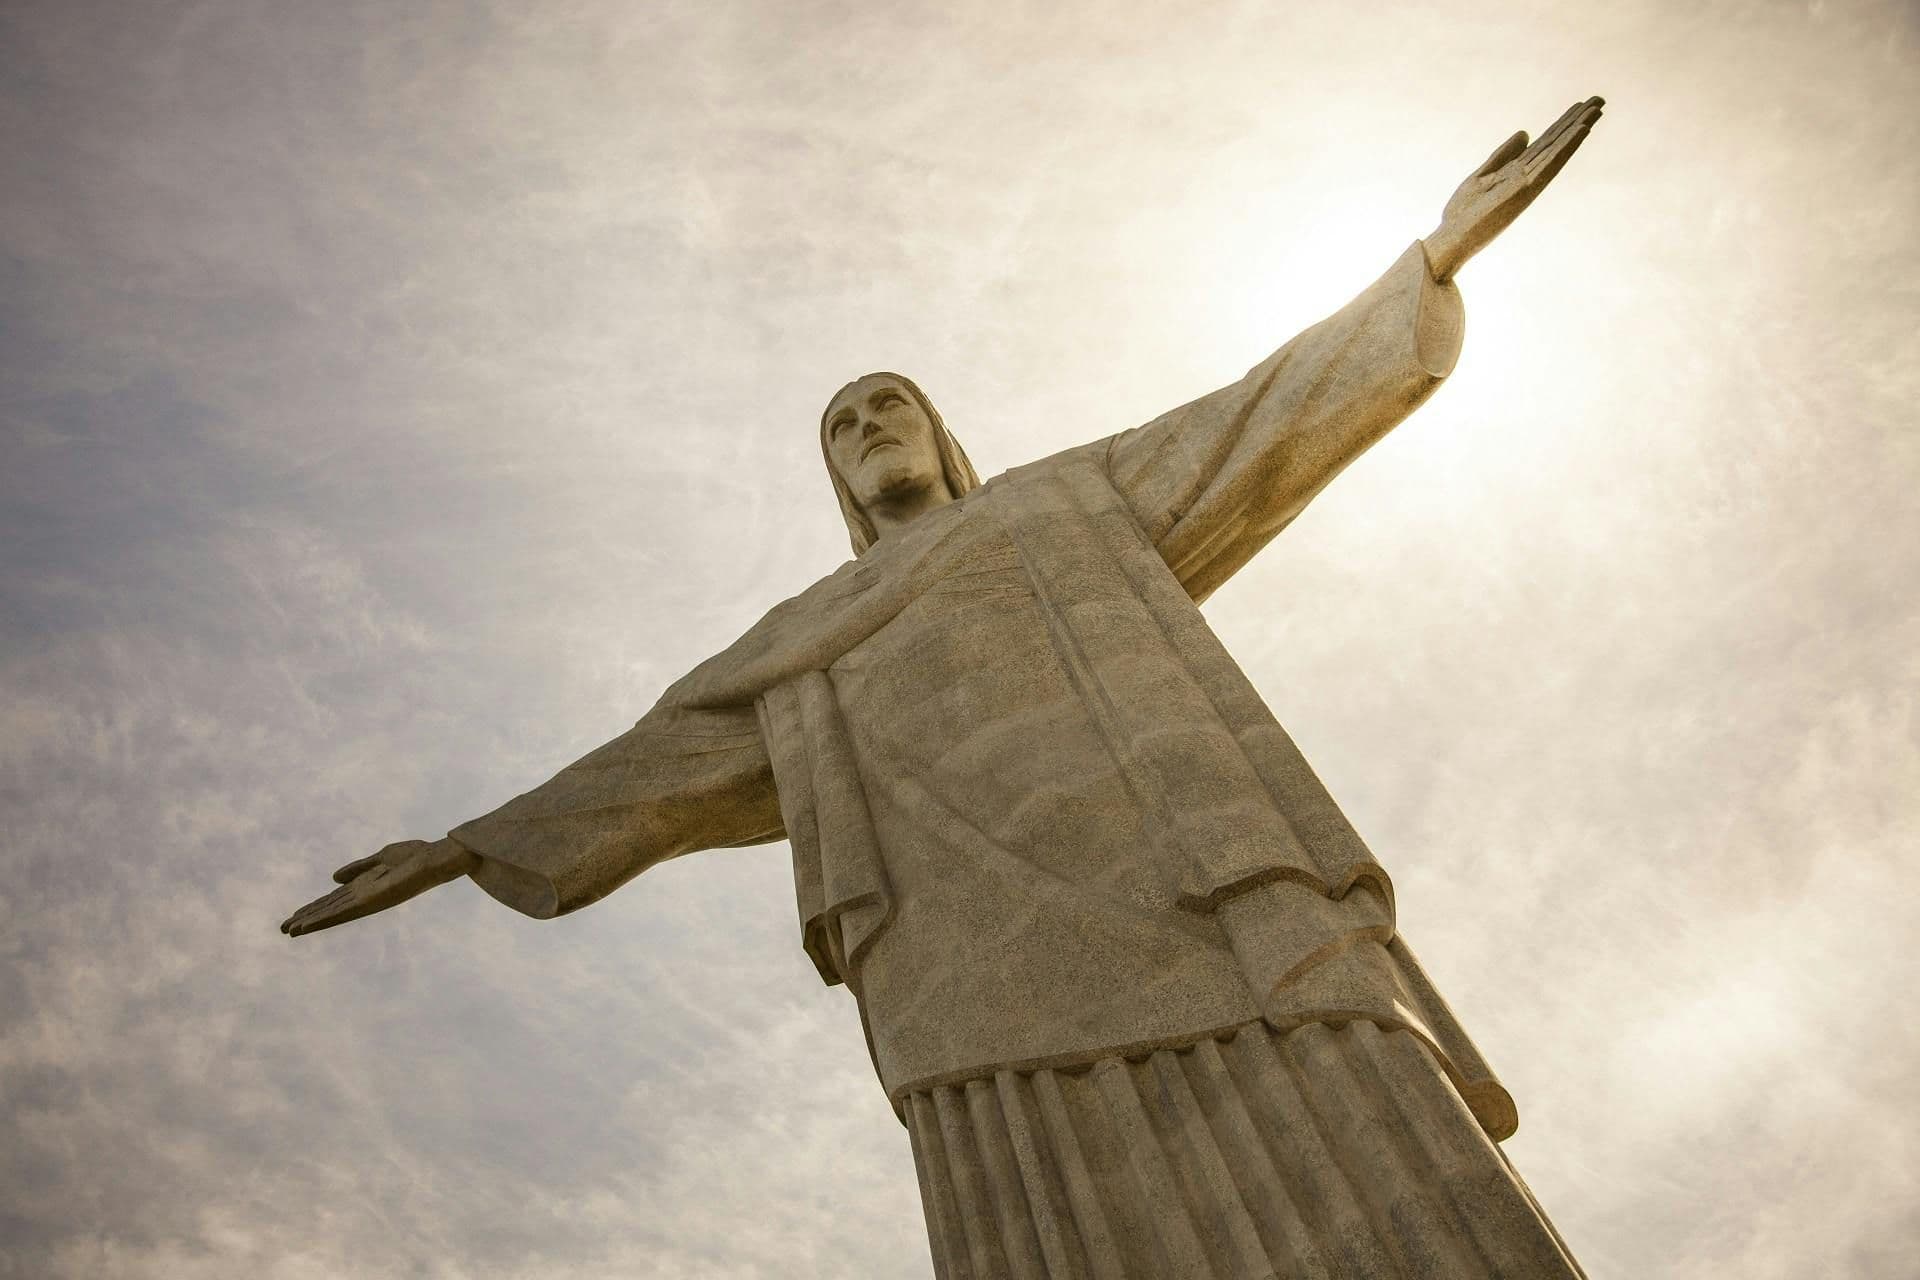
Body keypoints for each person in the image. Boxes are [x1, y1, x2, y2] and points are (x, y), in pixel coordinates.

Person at [286, 98, 1605, 1278]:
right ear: (835, 483)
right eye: (844, 430)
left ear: (939, 432)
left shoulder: (1065, 501)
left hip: (1201, 895)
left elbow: (1258, 417)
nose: (870, 434)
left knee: (1362, 1137)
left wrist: (1429, 262)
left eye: (886, 407)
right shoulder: (802, 634)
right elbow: (659, 762)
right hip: (971, 973)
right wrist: (468, 846)